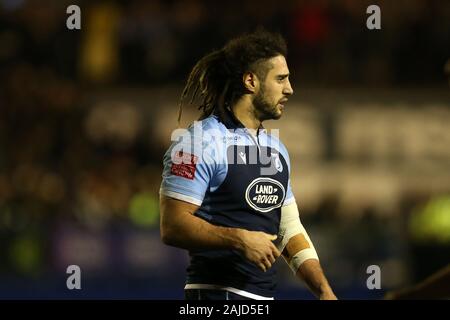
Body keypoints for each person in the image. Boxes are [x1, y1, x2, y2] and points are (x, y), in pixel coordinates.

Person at [159, 29, 337, 300]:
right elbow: (172, 225)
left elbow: (289, 228)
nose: (290, 89)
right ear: (251, 81)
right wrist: (239, 238)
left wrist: (323, 291)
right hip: (214, 297)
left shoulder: (275, 149)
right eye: (281, 79)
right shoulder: (199, 142)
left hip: (262, 298)